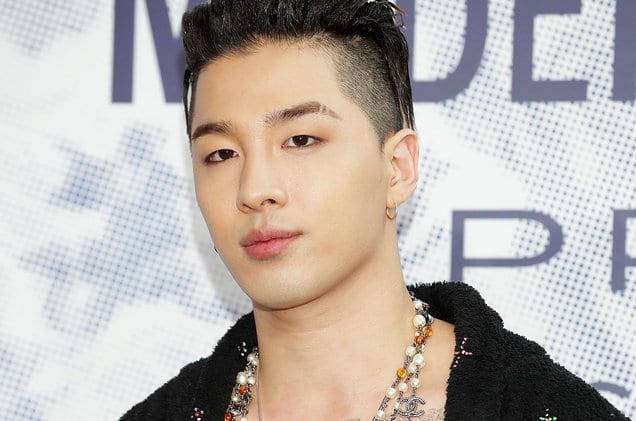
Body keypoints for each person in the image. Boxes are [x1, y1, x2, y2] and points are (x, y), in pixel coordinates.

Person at [120, 0, 630, 420]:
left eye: (300, 139)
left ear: (397, 168)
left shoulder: (538, 407)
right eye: (220, 154)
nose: (254, 190)